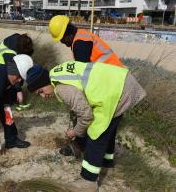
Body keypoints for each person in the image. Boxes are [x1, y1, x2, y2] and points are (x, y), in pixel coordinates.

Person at [25, 61, 146, 192]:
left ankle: (89, 182)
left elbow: (86, 116)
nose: (43, 96)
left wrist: (75, 132)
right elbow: (80, 99)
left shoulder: (61, 89)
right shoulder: (56, 73)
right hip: (121, 82)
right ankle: (107, 163)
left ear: (45, 82)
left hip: (118, 91)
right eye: (39, 94)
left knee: (96, 134)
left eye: (41, 91)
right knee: (108, 129)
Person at [49, 15, 124, 67]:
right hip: (114, 71)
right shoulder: (81, 35)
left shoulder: (80, 44)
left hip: (113, 75)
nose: (62, 42)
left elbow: (84, 74)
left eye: (62, 38)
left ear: (68, 33)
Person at [0, 33, 34, 105]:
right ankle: (6, 102)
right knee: (7, 82)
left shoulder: (19, 38)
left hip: (1, 57)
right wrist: (19, 90)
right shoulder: (10, 54)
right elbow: (14, 73)